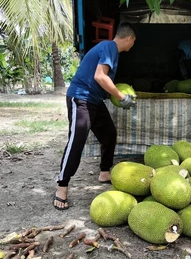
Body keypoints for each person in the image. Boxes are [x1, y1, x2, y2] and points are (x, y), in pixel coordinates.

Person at [53, 21, 137, 210]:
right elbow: (100, 76)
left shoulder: (110, 50)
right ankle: (62, 186)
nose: (132, 46)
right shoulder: (110, 47)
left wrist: (114, 95)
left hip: (94, 101)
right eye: (133, 42)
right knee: (77, 141)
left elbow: (99, 79)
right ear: (129, 38)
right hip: (80, 98)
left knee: (109, 134)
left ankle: (105, 172)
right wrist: (121, 97)